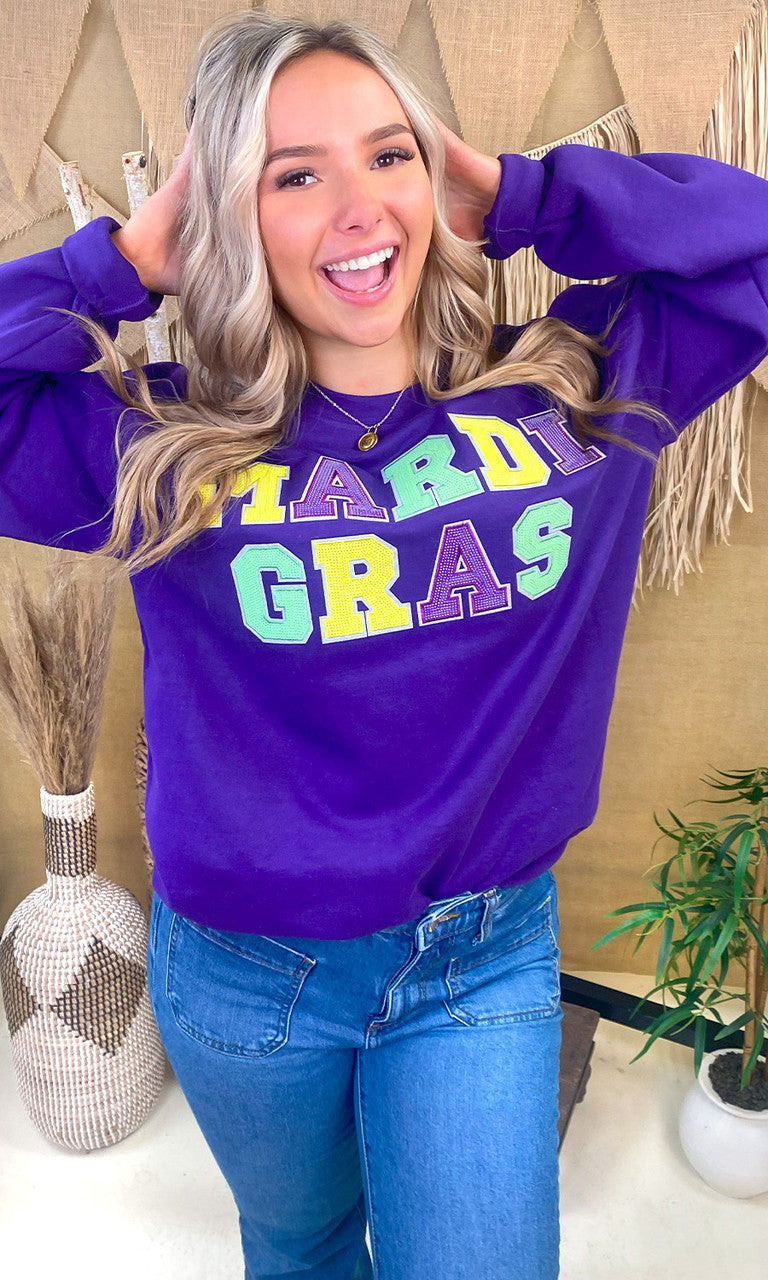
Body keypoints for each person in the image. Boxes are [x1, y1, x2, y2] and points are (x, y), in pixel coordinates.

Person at [2, 9, 767, 1279]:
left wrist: (519, 194)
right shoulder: (160, 446)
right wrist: (126, 260)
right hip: (248, 976)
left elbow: (752, 239)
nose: (360, 209)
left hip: (482, 954)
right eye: (294, 176)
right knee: (301, 1247)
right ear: (229, 216)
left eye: (389, 154)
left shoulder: (578, 390)